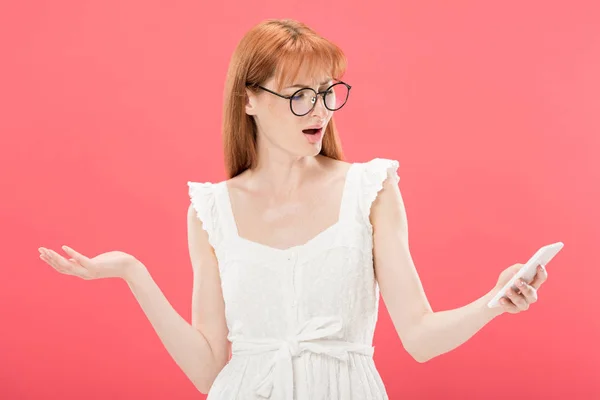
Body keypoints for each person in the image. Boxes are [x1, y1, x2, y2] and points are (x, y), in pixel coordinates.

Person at [38, 18, 549, 400]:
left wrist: (493, 301)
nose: (321, 109)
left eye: (328, 92)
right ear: (249, 100)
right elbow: (210, 369)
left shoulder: (370, 190)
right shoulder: (211, 210)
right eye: (300, 95)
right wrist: (132, 272)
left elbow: (420, 336)